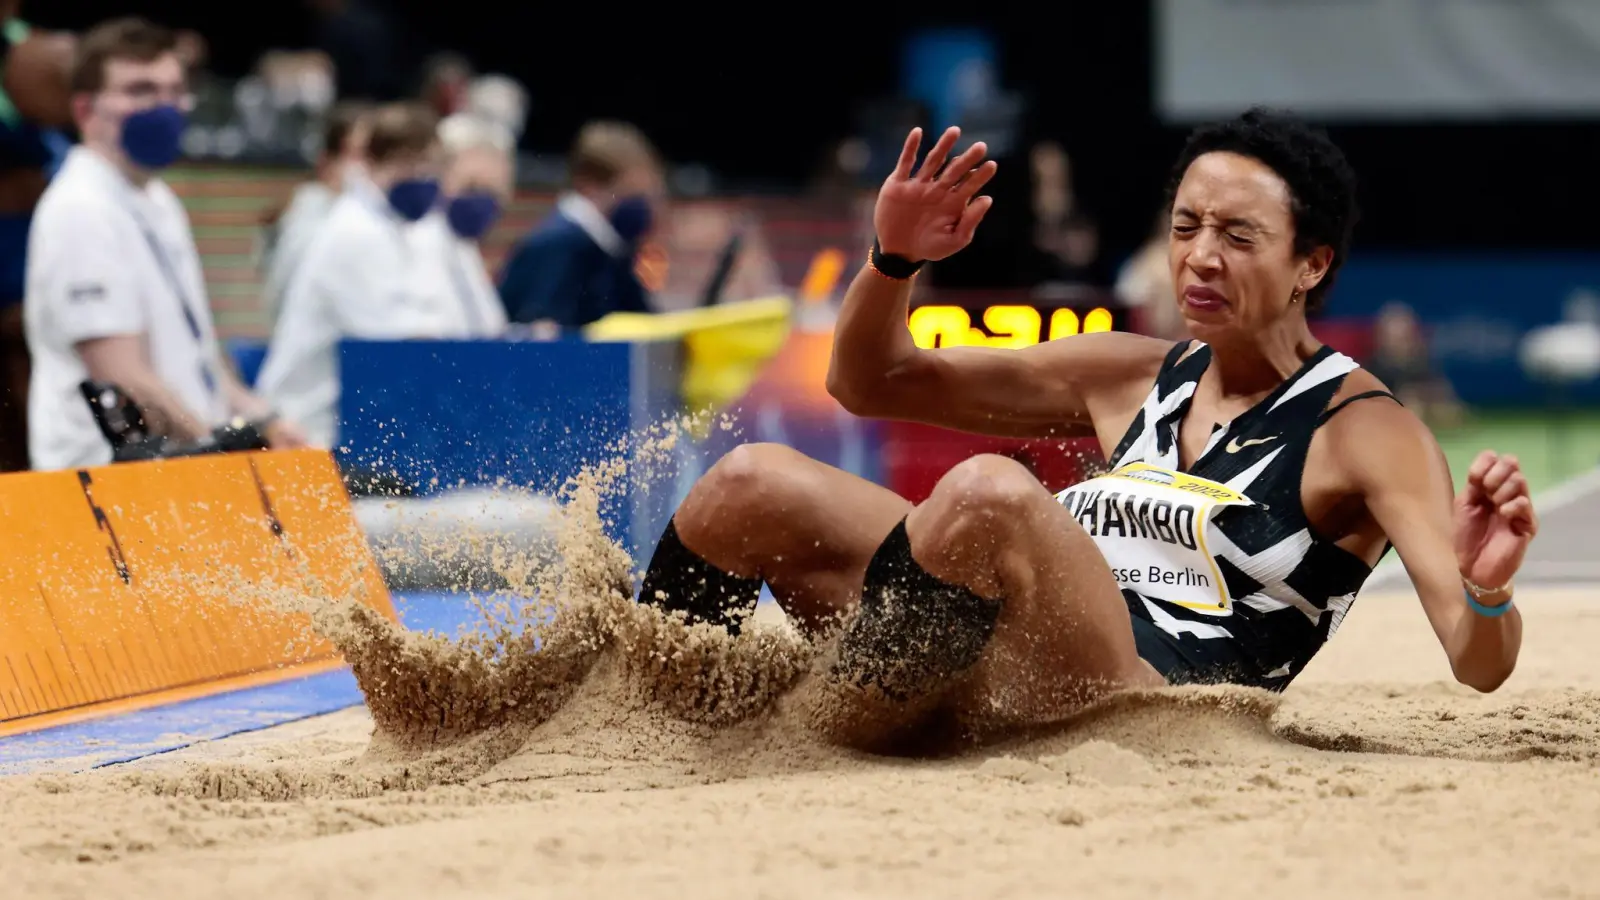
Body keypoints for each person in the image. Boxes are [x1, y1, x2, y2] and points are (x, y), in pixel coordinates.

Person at [636, 110, 1538, 752]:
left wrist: (1486, 590)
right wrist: (894, 259)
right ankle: (644, 720)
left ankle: (834, 730)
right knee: (747, 483)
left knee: (992, 495)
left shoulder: (1366, 428)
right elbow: (868, 382)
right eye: (1185, 227)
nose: (1200, 256)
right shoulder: (1130, 372)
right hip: (981, 649)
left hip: (1144, 703)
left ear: (1311, 263)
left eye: (1237, 234)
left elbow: (1476, 660)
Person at [24, 17, 307, 471]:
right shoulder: (80, 210)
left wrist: (267, 421)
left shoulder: (157, 200)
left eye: (174, 90)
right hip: (110, 485)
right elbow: (123, 377)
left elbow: (200, 360)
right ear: (84, 110)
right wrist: (223, 453)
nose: (164, 105)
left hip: (181, 465)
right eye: (140, 90)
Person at [256, 101, 454, 449]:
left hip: (357, 421)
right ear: (371, 163)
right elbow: (397, 343)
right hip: (305, 431)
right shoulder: (352, 231)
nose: (421, 177)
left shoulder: (406, 230)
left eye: (430, 166)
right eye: (408, 164)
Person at [497, 119, 663, 331]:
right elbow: (542, 336)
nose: (639, 205)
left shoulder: (609, 250)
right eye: (628, 192)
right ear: (589, 185)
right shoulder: (558, 246)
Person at [0, 6, 73, 472]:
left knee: (36, 358)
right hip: (10, 240)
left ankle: (44, 483)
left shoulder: (40, 47)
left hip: (38, 237)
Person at [258, 102, 370, 328]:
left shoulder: (370, 219)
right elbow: (286, 306)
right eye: (358, 154)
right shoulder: (306, 224)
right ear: (326, 162)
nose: (368, 165)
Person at [407, 112, 512, 338]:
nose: (480, 200)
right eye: (471, 186)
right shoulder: (417, 241)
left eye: (491, 191)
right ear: (438, 174)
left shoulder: (464, 247)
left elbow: (488, 330)